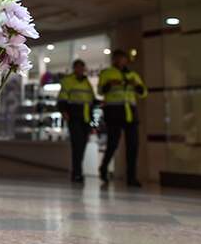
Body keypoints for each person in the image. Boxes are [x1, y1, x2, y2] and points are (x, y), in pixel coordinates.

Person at [98, 49, 147, 187]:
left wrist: (136, 85)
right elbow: (101, 91)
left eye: (123, 58)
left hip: (130, 114)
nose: (121, 61)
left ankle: (131, 177)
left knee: (133, 146)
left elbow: (143, 93)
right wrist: (110, 84)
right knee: (112, 144)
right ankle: (103, 168)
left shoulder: (133, 75)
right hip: (114, 113)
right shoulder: (107, 73)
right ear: (114, 60)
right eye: (118, 58)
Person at [58, 59, 96, 184]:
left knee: (82, 146)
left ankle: (78, 172)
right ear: (74, 68)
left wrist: (92, 121)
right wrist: (64, 112)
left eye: (82, 67)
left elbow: (91, 101)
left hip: (85, 119)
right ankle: (77, 173)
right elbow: (62, 99)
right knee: (77, 146)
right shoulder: (68, 81)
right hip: (74, 118)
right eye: (78, 67)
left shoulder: (87, 82)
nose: (80, 70)